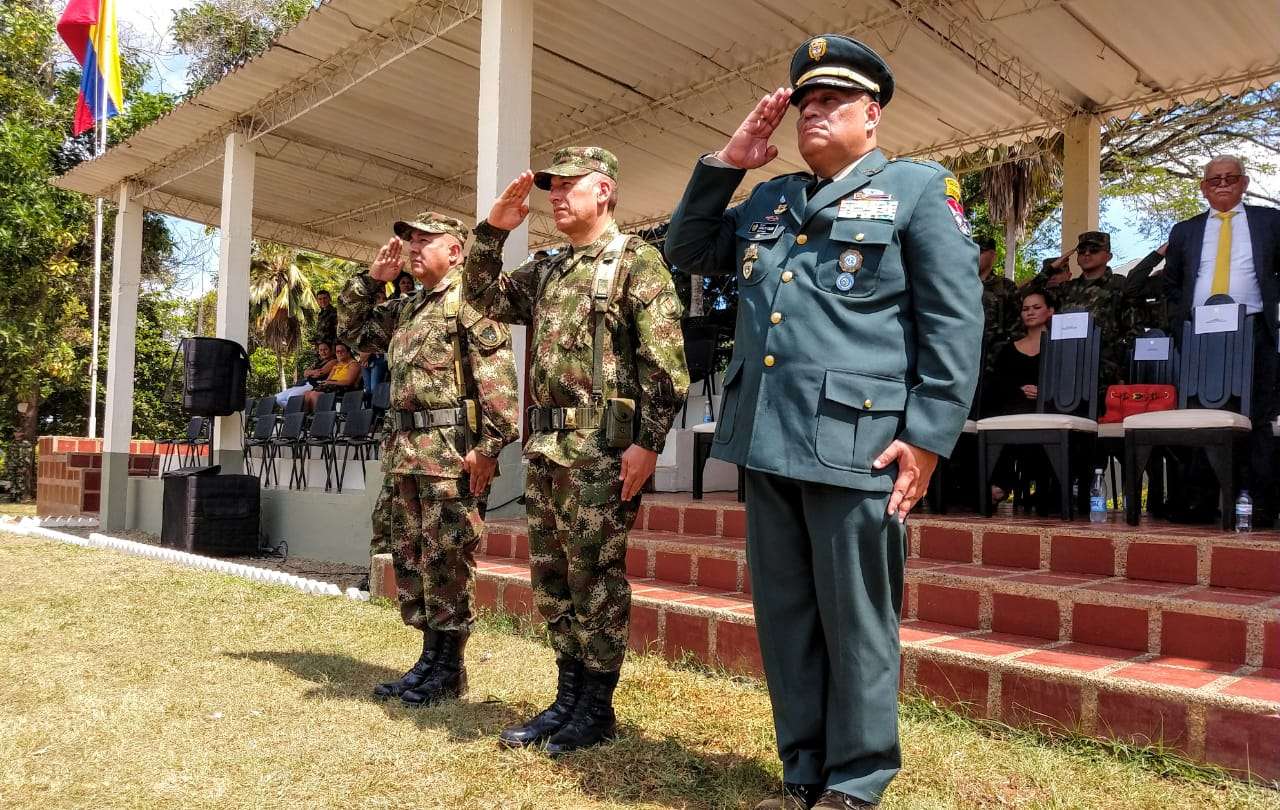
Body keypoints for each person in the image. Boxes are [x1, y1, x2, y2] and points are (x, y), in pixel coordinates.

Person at [665, 34, 982, 809]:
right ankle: (802, 770)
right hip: (769, 438)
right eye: (806, 103)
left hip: (859, 443)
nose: (815, 113)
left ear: (871, 115)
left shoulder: (916, 190)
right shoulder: (770, 200)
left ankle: (858, 779)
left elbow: (954, 318)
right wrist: (730, 161)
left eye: (832, 102)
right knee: (787, 616)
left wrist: (930, 435)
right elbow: (687, 247)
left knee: (858, 621)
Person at [464, 147, 688, 754]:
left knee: (596, 579)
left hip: (599, 451)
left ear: (606, 191)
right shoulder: (550, 269)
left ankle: (597, 706)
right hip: (545, 448)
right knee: (553, 579)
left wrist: (648, 443)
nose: (556, 196)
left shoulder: (636, 262)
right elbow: (484, 300)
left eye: (569, 186)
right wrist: (490, 234)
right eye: (551, 188)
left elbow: (665, 365)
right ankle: (567, 696)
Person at [340, 212, 520, 708]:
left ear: (456, 251)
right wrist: (371, 283)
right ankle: (428, 658)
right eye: (409, 241)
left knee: (447, 558)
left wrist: (489, 448)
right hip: (406, 454)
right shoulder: (409, 306)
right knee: (413, 558)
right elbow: (357, 337)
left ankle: (449, 667)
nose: (413, 249)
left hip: (450, 456)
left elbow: (497, 380)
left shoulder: (471, 302)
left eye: (425, 241)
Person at [1161, 155, 1280, 525]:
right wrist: (1180, 322)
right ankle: (1199, 500)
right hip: (1201, 333)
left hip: (1255, 328)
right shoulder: (1185, 230)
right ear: (1204, 188)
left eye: (1231, 178)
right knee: (1201, 416)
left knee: (1256, 417)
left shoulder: (1270, 221)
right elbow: (1171, 284)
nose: (1223, 184)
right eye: (1214, 180)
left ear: (1244, 183)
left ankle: (1258, 504)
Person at [984, 290, 1055, 504]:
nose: (1030, 313)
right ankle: (1000, 482)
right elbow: (998, 383)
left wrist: (1045, 393)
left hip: (1048, 409)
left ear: (1050, 311)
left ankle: (1047, 487)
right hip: (1011, 408)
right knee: (996, 412)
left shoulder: (1058, 347)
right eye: (1025, 309)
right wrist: (1018, 391)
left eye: (1036, 307)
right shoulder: (1008, 349)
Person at [978, 235, 1019, 371]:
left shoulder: (1005, 287)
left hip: (995, 362)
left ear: (993, 255)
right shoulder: (961, 285)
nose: (975, 255)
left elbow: (1017, 328)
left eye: (981, 251)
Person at [301, 342, 361, 411]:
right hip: (332, 385)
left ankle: (317, 417)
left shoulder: (353, 364)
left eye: (342, 351)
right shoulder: (337, 365)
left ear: (348, 352)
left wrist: (331, 382)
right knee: (306, 393)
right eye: (337, 352)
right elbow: (329, 379)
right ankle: (307, 417)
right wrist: (327, 382)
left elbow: (348, 382)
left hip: (344, 387)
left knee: (315, 395)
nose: (339, 353)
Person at [274, 340, 335, 406]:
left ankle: (295, 412)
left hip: (314, 385)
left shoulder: (333, 361)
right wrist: (312, 372)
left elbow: (319, 373)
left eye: (325, 349)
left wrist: (310, 372)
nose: (323, 352)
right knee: (277, 398)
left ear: (331, 350)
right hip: (304, 384)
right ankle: (292, 411)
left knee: (292, 397)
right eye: (321, 350)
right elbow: (305, 373)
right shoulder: (317, 362)